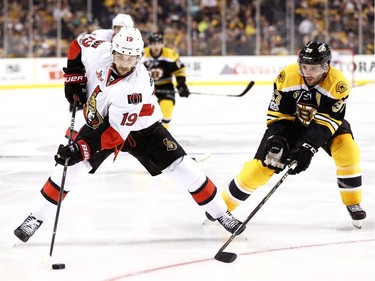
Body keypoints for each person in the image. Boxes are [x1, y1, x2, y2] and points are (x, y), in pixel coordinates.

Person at [13, 27, 244, 243]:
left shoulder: (137, 85)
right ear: (112, 50)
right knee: (68, 170)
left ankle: (221, 214)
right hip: (100, 123)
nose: (125, 63)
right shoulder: (99, 52)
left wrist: (80, 148)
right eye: (121, 56)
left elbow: (114, 135)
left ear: (139, 57)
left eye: (131, 58)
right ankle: (35, 217)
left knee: (186, 170)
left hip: (143, 130)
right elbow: (77, 44)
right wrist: (74, 76)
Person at [215, 41, 366, 228]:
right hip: (292, 125)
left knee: (348, 150)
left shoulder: (338, 84)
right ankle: (219, 208)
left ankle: (353, 201)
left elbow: (326, 122)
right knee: (262, 167)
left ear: (326, 66)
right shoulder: (287, 76)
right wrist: (276, 139)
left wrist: (307, 148)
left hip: (323, 124)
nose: (308, 73)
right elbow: (279, 115)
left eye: (314, 68)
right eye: (304, 67)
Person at [64, 13, 135, 138]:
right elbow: (79, 45)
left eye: (122, 28)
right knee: (84, 109)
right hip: (92, 78)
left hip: (110, 85)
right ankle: (75, 138)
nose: (118, 31)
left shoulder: (134, 45)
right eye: (116, 27)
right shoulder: (100, 35)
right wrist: (76, 76)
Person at [143, 32, 190, 128]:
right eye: (153, 43)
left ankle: (162, 133)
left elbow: (179, 71)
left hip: (165, 84)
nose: (156, 46)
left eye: (158, 43)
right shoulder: (142, 54)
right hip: (145, 86)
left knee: (167, 108)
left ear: (163, 43)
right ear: (150, 44)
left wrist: (181, 85)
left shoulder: (170, 55)